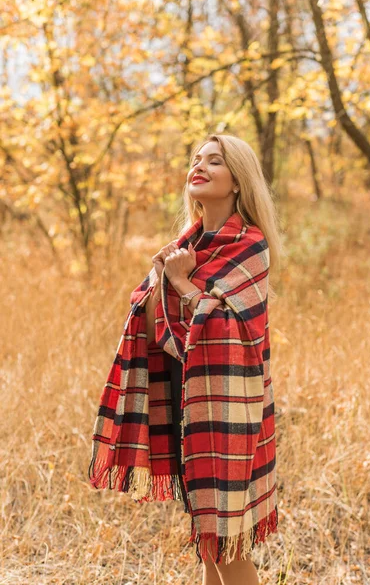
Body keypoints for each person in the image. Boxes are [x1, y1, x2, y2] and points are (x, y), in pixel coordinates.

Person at [144, 133, 282, 585]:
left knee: (230, 548)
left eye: (215, 161)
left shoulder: (251, 245)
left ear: (238, 181)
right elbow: (165, 336)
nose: (199, 167)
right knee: (210, 546)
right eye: (196, 160)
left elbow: (229, 331)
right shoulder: (188, 246)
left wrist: (182, 285)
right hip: (192, 407)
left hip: (232, 410)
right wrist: (156, 281)